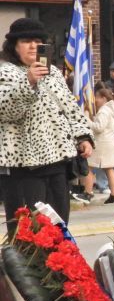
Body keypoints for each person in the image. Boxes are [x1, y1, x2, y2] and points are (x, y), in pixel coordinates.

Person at [0, 17, 93, 224]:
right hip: (24, 166)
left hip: (57, 161)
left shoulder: (54, 74)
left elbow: (70, 108)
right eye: (26, 41)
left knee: (59, 225)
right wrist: (28, 82)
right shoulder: (5, 72)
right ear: (14, 46)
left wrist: (83, 136)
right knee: (30, 229)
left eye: (37, 41)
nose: (33, 46)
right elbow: (6, 111)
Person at [80, 85, 114, 204]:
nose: (95, 100)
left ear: (103, 98)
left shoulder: (104, 111)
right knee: (109, 169)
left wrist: (86, 119)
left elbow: (98, 128)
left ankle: (88, 193)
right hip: (109, 142)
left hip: (101, 144)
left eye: (97, 97)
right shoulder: (110, 110)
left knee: (88, 167)